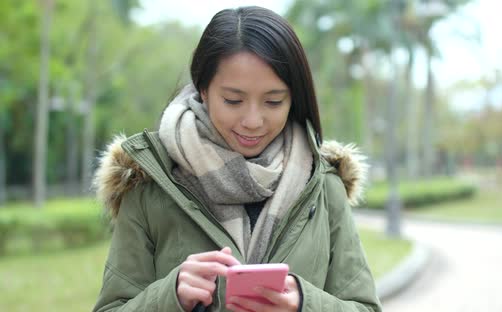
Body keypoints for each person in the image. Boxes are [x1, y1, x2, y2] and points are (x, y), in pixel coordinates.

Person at [92, 6, 381, 312]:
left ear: (294, 97)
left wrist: (304, 304)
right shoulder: (149, 183)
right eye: (233, 100)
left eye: (273, 101)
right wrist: (171, 294)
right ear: (203, 89)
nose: (253, 120)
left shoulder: (324, 187)